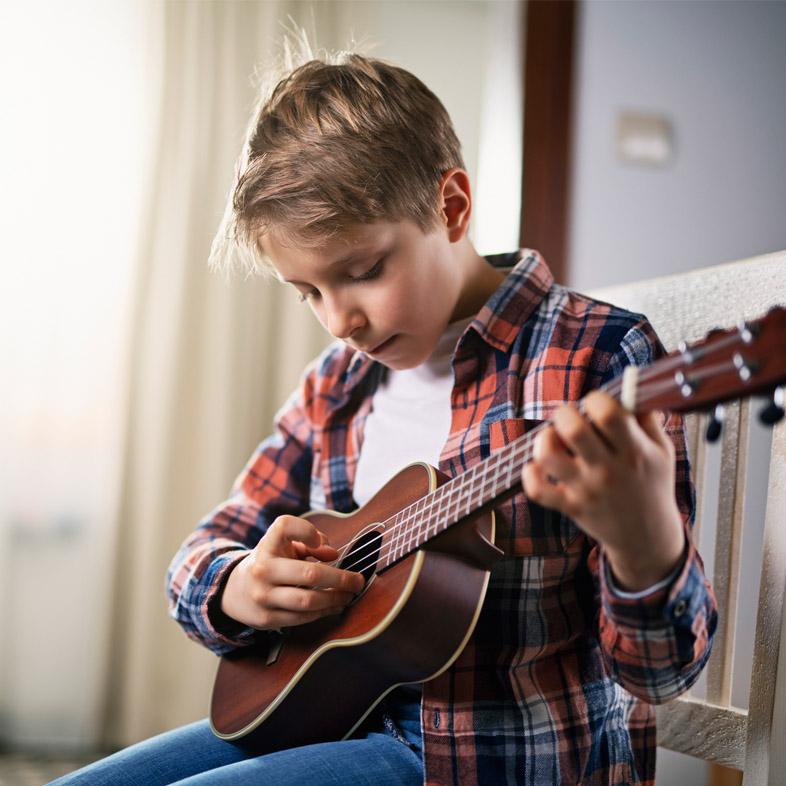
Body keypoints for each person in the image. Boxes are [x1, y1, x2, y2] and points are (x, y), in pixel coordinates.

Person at [51, 48, 717, 786]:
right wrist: (239, 583)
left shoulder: (591, 356)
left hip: (489, 754)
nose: (341, 320)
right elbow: (203, 549)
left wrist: (646, 541)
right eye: (306, 291)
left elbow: (661, 676)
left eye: (363, 272)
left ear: (451, 206)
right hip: (325, 718)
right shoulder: (336, 387)